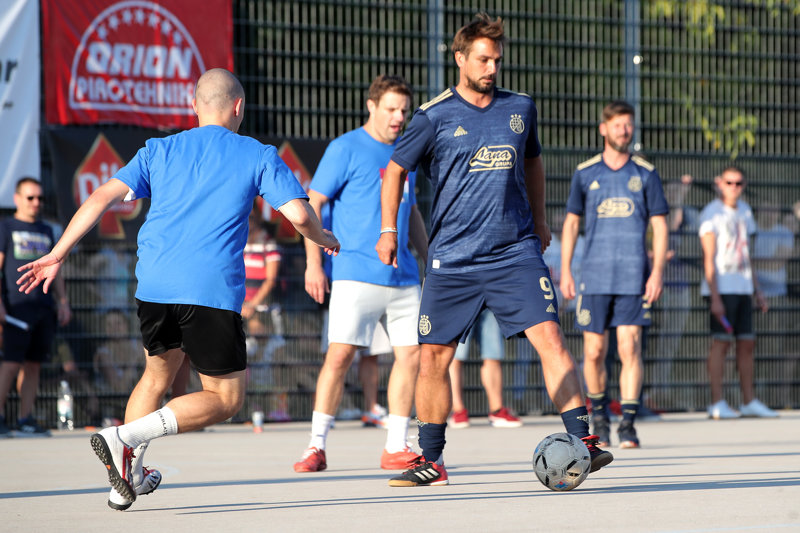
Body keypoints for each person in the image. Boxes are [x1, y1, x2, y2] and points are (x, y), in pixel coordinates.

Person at [17, 68, 340, 510]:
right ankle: (124, 437)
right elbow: (300, 216)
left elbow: (100, 198)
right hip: (209, 290)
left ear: (194, 106)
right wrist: (323, 238)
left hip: (154, 285)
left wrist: (58, 253)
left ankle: (125, 479)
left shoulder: (159, 149)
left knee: (156, 376)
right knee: (225, 398)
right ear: (239, 107)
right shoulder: (256, 153)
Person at [377, 13, 612, 487]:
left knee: (551, 338)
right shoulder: (433, 117)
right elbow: (395, 171)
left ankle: (584, 441)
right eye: (483, 59)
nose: (491, 68)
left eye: (497, 60)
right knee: (432, 358)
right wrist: (388, 229)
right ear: (460, 58)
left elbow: (534, 162)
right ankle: (432, 460)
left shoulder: (520, 108)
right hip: (453, 259)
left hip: (514, 252)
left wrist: (540, 221)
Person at [294, 74, 428, 473]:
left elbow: (411, 210)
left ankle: (396, 445)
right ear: (371, 106)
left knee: (412, 356)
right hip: (354, 271)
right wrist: (314, 263)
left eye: (403, 110)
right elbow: (311, 203)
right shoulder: (345, 147)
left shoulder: (406, 152)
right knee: (340, 356)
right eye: (391, 109)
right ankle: (315, 446)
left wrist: (430, 260)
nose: (398, 117)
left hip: (404, 277)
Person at [560, 101, 669, 449]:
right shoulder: (585, 173)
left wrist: (657, 272)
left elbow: (660, 225)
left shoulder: (646, 174)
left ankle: (629, 425)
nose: (624, 130)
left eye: (628, 124)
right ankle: (600, 419)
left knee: (629, 347)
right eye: (618, 125)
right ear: (603, 129)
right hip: (594, 277)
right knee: (593, 352)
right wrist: (567, 271)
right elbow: (572, 223)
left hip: (633, 277)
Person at [699, 167, 777, 419]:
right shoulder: (712, 213)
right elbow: (708, 258)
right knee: (721, 343)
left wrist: (757, 289)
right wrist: (715, 297)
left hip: (743, 287)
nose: (734, 187)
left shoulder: (745, 211)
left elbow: (747, 254)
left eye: (738, 183)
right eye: (729, 182)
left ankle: (748, 401)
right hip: (722, 289)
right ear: (719, 183)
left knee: (747, 343)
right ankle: (716, 402)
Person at [0, 177, 72, 437]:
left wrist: (63, 301)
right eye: (30, 197)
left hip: (43, 307)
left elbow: (56, 268)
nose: (36, 202)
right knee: (11, 363)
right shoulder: (6, 227)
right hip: (16, 307)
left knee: (34, 365)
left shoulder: (46, 230)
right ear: (17, 199)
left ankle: (25, 419)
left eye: (40, 198)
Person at [448, 309, 522, 428]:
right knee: (456, 356)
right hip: (461, 300)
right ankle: (458, 411)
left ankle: (497, 411)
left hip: (490, 302)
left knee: (493, 354)